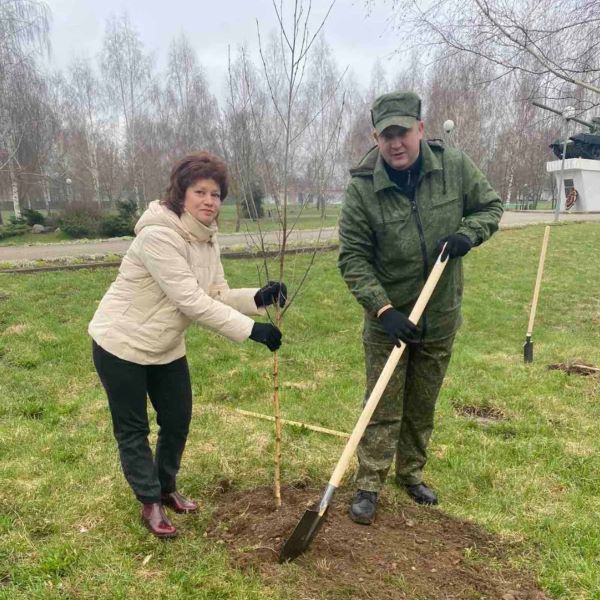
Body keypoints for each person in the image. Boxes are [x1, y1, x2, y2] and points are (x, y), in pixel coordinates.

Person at [89, 151, 286, 538]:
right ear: (181, 193)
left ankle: (166, 487)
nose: (209, 201)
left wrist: (258, 299)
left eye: (216, 194)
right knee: (133, 428)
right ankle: (150, 502)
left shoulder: (207, 240)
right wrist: (251, 330)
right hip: (121, 343)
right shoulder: (158, 236)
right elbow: (191, 302)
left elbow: (215, 292)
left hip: (165, 344)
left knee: (177, 419)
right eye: (200, 192)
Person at [338, 91, 503, 524]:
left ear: (421, 130)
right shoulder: (362, 188)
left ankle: (410, 474)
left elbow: (490, 206)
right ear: (375, 136)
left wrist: (470, 232)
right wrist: (382, 310)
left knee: (422, 403)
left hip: (440, 313)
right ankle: (369, 483)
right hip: (389, 320)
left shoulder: (453, 166)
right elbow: (352, 257)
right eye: (386, 134)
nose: (396, 143)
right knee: (381, 403)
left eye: (404, 132)